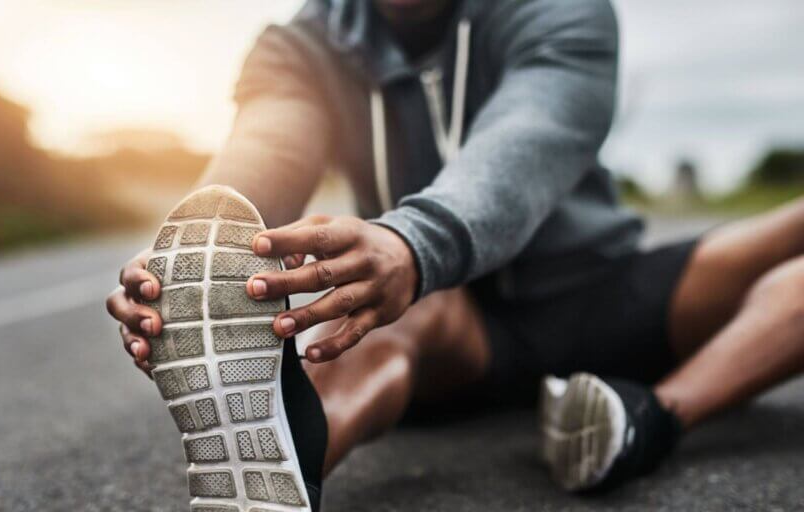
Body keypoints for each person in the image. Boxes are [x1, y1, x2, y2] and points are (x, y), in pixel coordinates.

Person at [107, 0, 804, 507]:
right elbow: (269, 143)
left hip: (602, 292)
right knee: (385, 317)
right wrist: (193, 252)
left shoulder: (565, 12)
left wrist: (415, 239)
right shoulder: (303, 46)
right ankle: (287, 454)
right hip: (443, 316)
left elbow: (537, 127)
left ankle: (651, 414)